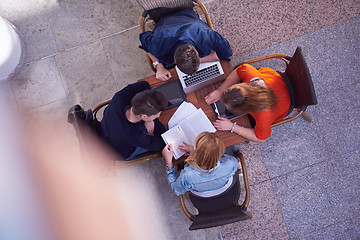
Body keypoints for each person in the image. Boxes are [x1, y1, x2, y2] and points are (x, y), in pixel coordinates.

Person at [205, 64, 291, 143]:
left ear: (245, 110)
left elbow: (261, 138)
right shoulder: (250, 75)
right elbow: (238, 70)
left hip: (286, 102)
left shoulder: (263, 116)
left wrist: (232, 127)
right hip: (277, 79)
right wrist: (220, 90)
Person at [139, 9, 233, 81]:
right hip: (165, 20)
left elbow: (227, 52)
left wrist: (201, 60)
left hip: (187, 14)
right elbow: (143, 40)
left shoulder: (206, 35)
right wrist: (158, 66)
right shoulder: (158, 43)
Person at [100, 81, 168, 160]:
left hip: (105, 131)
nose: (158, 115)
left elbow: (144, 84)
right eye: (156, 115)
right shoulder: (134, 134)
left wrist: (148, 120)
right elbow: (160, 144)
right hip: (117, 152)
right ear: (143, 116)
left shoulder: (119, 98)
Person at [162, 132, 240, 196]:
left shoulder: (188, 176)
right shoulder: (230, 164)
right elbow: (235, 164)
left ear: (197, 154)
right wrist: (204, 152)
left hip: (201, 200)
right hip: (224, 193)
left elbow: (176, 190)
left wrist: (169, 164)